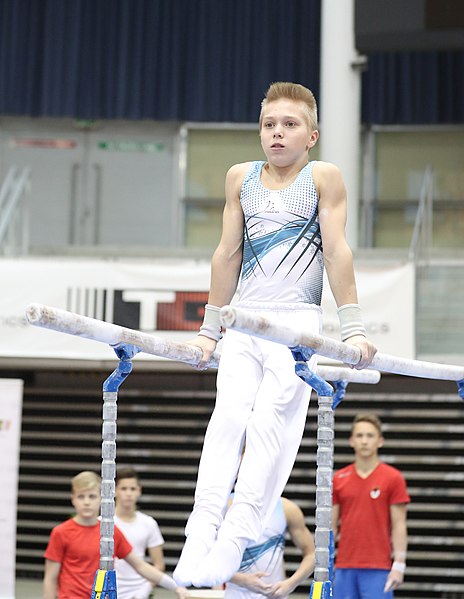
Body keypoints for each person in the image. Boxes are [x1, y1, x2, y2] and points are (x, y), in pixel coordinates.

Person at [173, 81, 377, 589]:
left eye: (289, 125)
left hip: (296, 323)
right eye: (269, 124)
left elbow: (336, 252)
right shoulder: (239, 178)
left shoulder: (322, 177)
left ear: (312, 135)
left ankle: (236, 537)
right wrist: (209, 330)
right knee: (225, 423)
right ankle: (200, 535)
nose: (277, 133)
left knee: (267, 427)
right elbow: (227, 254)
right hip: (244, 319)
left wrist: (352, 326)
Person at [43, 470, 182, 599]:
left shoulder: (111, 531)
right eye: (81, 496)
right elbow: (50, 578)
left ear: (102, 498)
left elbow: (141, 566)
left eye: (92, 496)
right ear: (73, 498)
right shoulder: (61, 532)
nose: (86, 502)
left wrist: (176, 587)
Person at [332, 413, 410, 599]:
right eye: (359, 436)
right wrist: (322, 564)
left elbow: (399, 525)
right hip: (344, 565)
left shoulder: (393, 478)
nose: (364, 441)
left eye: (370, 436)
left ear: (380, 441)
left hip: (378, 566)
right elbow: (331, 526)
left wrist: (399, 564)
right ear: (351, 441)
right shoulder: (338, 478)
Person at [224, 496, 315, 599]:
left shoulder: (287, 508)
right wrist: (242, 580)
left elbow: (312, 554)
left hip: (275, 594)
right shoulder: (226, 506)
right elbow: (205, 558)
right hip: (236, 594)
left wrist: (290, 584)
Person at [114, 467, 166, 599]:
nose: (128, 493)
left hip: (139, 590)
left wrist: (145, 589)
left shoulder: (149, 523)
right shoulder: (103, 523)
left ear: (139, 491)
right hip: (109, 590)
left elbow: (159, 564)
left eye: (133, 489)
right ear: (114, 491)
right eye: (124, 489)